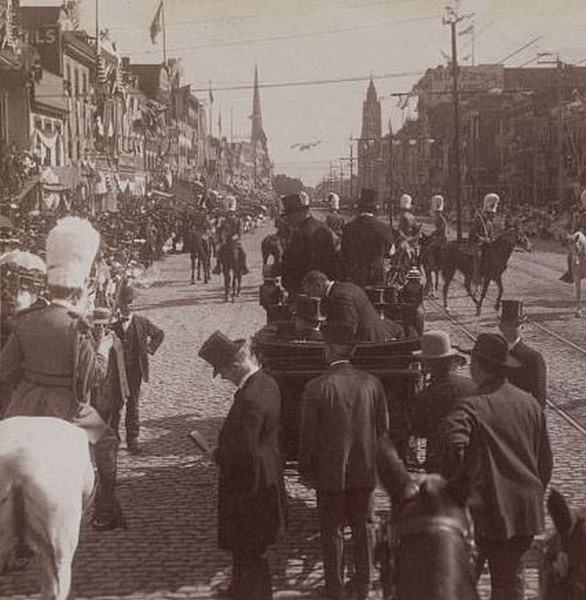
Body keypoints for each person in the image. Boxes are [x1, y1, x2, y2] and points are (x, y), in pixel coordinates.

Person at [0, 216, 125, 531]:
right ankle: (105, 508)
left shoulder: (26, 320)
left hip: (23, 404)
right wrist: (105, 347)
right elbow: (93, 376)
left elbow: (5, 368)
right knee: (108, 441)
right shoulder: (78, 326)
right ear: (78, 288)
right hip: (68, 407)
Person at [442, 333, 553, 600]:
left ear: (477, 365)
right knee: (509, 587)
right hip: (523, 514)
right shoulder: (530, 404)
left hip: (483, 515)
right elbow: (545, 463)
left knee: (460, 585)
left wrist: (459, 494)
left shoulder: (469, 406)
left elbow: (453, 447)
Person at [299, 321, 389, 600]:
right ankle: (363, 584)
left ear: (330, 349)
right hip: (365, 470)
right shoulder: (372, 383)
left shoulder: (316, 387)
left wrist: (306, 471)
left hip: (329, 473)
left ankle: (335, 588)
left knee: (331, 530)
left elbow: (308, 437)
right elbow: (383, 428)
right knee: (364, 526)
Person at [199, 331, 286, 600]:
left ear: (235, 364)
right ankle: (238, 590)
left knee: (249, 550)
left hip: (250, 488)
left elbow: (244, 452)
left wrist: (217, 454)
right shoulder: (267, 383)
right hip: (262, 479)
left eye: (222, 371)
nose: (223, 377)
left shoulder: (249, 398)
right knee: (245, 548)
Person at [412, 330, 476, 473]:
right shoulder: (473, 387)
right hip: (473, 461)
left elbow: (419, 430)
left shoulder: (425, 395)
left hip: (439, 464)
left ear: (427, 365)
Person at [111, 284, 164, 454]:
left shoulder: (142, 322)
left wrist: (149, 349)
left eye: (132, 302)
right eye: (126, 302)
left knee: (133, 405)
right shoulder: (112, 324)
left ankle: (132, 439)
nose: (129, 305)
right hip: (115, 372)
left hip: (135, 371)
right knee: (115, 405)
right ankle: (113, 438)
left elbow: (159, 334)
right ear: (119, 303)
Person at [301, 270, 404, 342]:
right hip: (376, 335)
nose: (311, 297)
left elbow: (347, 327)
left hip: (367, 343)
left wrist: (321, 334)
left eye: (310, 292)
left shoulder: (339, 296)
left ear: (318, 285)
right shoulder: (348, 287)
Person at [280, 193, 338, 296]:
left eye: (289, 215)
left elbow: (291, 264)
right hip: (325, 285)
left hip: (305, 289)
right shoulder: (322, 227)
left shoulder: (301, 234)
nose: (287, 219)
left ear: (300, 213)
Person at [497, 300, 547, 407]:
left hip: (521, 412)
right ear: (500, 327)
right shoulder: (492, 353)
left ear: (522, 327)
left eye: (516, 325)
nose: (511, 329)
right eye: (507, 325)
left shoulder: (533, 357)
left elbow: (539, 396)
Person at [341, 188, 394, 287]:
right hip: (376, 277)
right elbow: (390, 252)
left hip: (354, 276)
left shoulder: (348, 228)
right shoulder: (384, 228)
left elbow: (344, 252)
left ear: (359, 208)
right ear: (375, 209)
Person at [469, 192, 499, 285]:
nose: (491, 216)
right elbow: (472, 234)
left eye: (492, 214)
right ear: (486, 213)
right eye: (490, 214)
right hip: (476, 244)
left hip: (486, 245)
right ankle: (476, 278)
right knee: (478, 256)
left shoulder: (489, 224)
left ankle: (490, 275)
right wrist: (482, 239)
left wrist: (492, 240)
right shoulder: (478, 221)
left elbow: (491, 236)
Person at [394, 193, 420, 267]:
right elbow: (416, 230)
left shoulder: (403, 217)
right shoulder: (412, 216)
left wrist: (404, 237)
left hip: (404, 240)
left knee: (395, 251)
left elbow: (400, 231)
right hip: (412, 241)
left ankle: (397, 266)